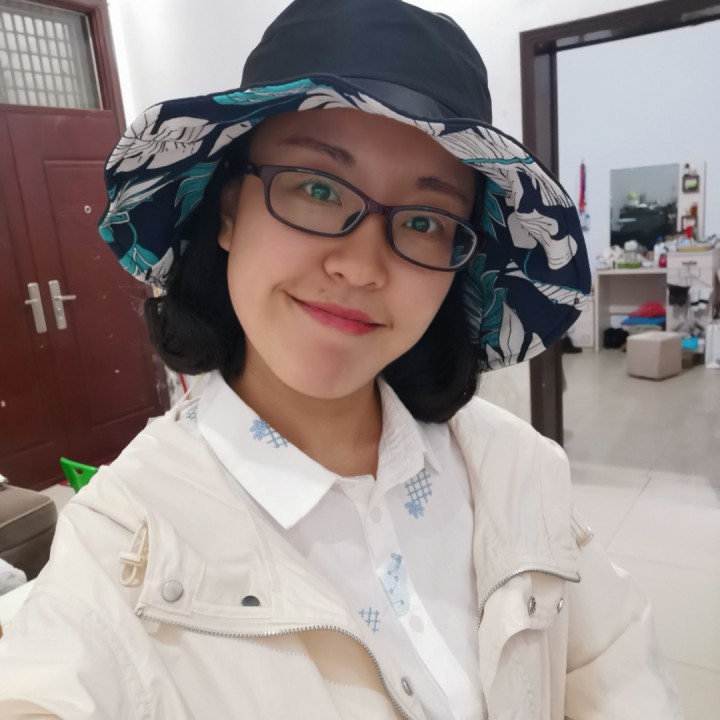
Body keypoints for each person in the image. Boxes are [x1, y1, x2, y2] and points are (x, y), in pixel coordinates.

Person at [0, 1, 682, 718]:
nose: (360, 267)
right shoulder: (117, 545)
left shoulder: (513, 465)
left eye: (424, 220)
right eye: (318, 188)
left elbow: (617, 676)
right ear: (228, 210)